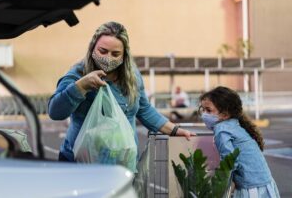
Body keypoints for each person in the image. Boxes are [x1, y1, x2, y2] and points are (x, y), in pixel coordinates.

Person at [48, 21, 196, 162]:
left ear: (124, 55)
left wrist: (175, 130)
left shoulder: (132, 76)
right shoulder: (78, 74)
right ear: (92, 48)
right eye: (103, 51)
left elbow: (144, 110)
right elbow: (55, 112)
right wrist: (81, 86)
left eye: (115, 54)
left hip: (121, 162)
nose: (108, 58)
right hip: (81, 162)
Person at [199, 86, 280, 198]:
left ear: (225, 114)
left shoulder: (222, 130)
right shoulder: (234, 124)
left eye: (208, 110)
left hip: (251, 189)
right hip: (265, 183)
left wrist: (218, 189)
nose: (204, 114)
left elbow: (229, 162)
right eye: (202, 109)